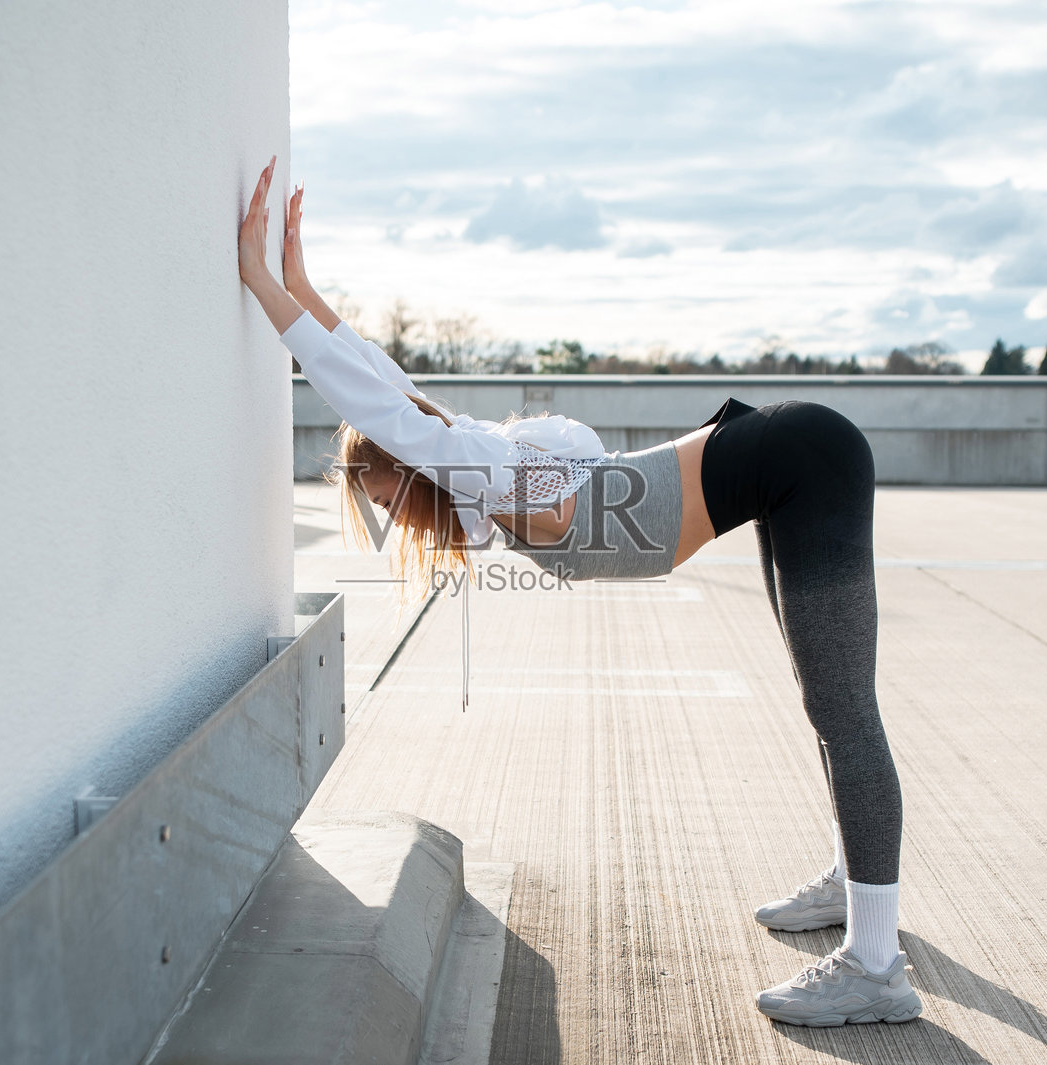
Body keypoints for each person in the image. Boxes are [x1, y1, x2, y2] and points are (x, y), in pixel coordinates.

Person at [237, 156, 922, 1027]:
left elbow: (381, 403)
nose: (396, 519)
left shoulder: (475, 465)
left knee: (844, 707)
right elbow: (389, 385)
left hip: (804, 457)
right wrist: (302, 283)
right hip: (776, 468)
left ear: (414, 471)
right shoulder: (481, 459)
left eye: (388, 499)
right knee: (825, 702)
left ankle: (875, 964)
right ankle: (853, 886)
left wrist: (267, 287)